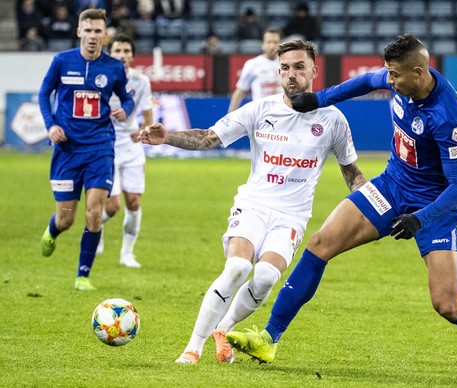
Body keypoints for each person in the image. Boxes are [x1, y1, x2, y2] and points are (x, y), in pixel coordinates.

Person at [226, 34, 457, 375]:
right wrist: (318, 99)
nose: (390, 80)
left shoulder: (447, 117)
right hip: (391, 186)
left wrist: (420, 219)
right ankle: (269, 339)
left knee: (447, 304)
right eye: (389, 73)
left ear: (418, 71)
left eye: (396, 75)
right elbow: (366, 81)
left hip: (435, 205)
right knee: (320, 244)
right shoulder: (398, 78)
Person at [138, 40, 366, 365]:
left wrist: (379, 203)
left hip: (291, 217)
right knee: (238, 267)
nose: (291, 75)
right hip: (254, 204)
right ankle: (192, 348)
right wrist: (167, 137)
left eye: (299, 67)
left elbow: (352, 175)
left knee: (266, 277)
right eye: (285, 67)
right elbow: (208, 138)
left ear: (315, 71)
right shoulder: (261, 108)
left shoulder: (333, 120)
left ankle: (224, 329)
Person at [38, 8, 135, 291]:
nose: (93, 36)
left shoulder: (114, 67)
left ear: (105, 35)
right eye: (88, 30)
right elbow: (44, 93)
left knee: (94, 212)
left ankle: (83, 275)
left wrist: (124, 110)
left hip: (100, 148)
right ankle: (53, 230)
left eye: (98, 31)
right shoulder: (61, 62)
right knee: (67, 218)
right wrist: (50, 125)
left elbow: (127, 98)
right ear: (79, 32)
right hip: (67, 150)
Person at [96, 33, 154, 268]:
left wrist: (141, 131)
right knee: (112, 205)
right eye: (118, 50)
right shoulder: (100, 78)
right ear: (111, 53)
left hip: (131, 147)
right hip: (106, 145)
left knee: (134, 203)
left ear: (132, 55)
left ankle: (127, 253)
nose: (122, 55)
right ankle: (95, 226)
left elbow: (148, 117)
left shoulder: (141, 81)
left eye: (126, 51)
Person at [227, 27, 283, 113]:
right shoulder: (252, 64)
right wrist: (230, 116)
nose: (272, 46)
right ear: (263, 44)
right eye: (269, 42)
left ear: (280, 44)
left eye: (275, 42)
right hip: (260, 113)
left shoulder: (287, 63)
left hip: (282, 112)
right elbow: (240, 91)